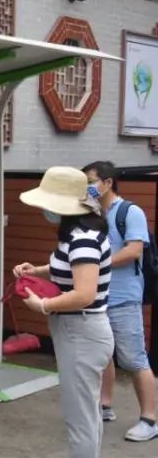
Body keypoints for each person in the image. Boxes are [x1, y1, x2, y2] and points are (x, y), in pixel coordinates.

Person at [15, 166, 113, 458]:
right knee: (87, 413)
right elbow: (71, 270)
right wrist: (39, 270)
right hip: (84, 331)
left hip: (80, 331)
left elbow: (84, 293)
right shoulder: (83, 234)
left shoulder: (82, 238)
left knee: (80, 416)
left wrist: (43, 305)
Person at [83, 161, 158, 441]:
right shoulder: (93, 213)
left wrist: (96, 263)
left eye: (91, 181)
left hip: (124, 298)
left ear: (108, 183)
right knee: (103, 355)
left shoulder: (130, 212)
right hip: (98, 296)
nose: (87, 187)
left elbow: (134, 251)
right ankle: (105, 406)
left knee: (134, 359)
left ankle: (150, 420)